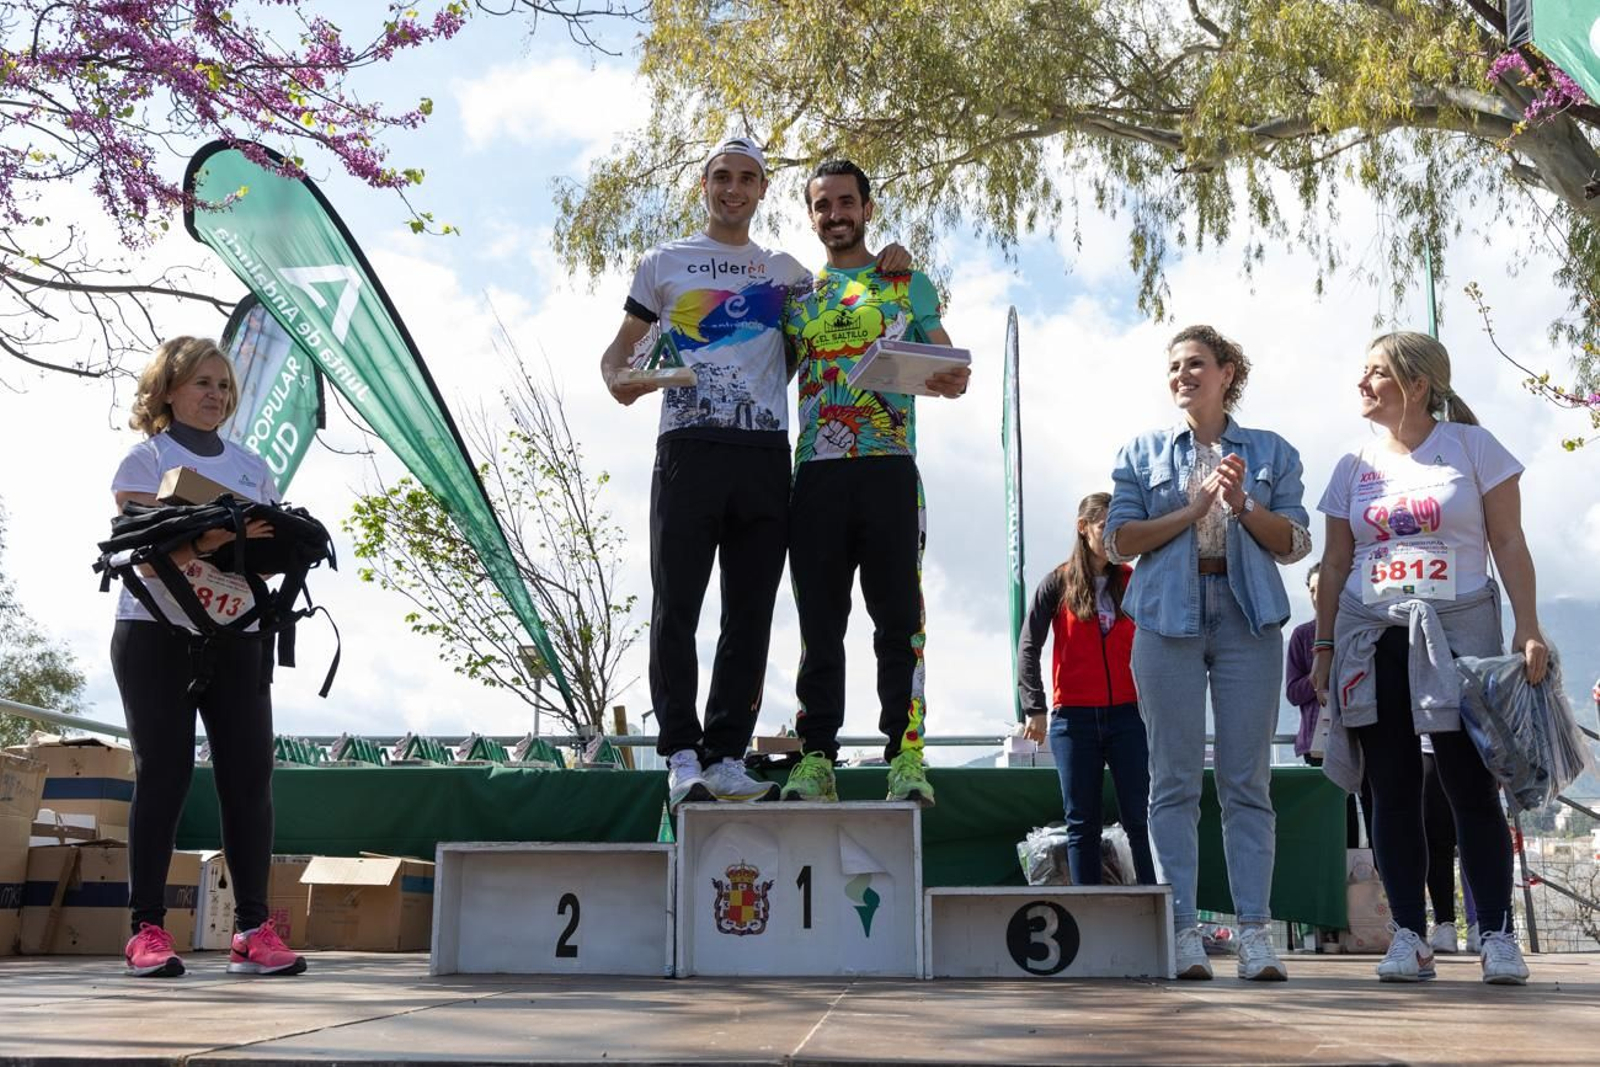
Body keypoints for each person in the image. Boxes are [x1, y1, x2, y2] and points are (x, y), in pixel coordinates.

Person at [598, 139, 911, 810]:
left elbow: (831, 324)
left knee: (750, 613)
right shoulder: (663, 262)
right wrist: (623, 379)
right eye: (722, 177)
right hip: (687, 449)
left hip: (765, 454)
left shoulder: (787, 273)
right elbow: (618, 357)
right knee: (677, 606)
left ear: (764, 190)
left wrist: (894, 262)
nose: (733, 189)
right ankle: (681, 754)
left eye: (747, 179)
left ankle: (725, 754)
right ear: (703, 184)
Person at [1311, 330, 1538, 986]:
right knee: (1391, 787)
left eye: (1376, 372)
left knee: (1470, 783)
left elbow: (1508, 541)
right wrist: (1324, 645)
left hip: (1458, 632)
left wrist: (1528, 626)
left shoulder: (1474, 448)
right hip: (1373, 633)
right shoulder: (1351, 465)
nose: (1362, 384)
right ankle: (1409, 934)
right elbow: (1334, 563)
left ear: (1417, 383)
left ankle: (1496, 934)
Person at [1105, 325, 1311, 982]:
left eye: (1196, 364)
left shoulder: (1272, 450)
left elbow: (1295, 544)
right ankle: (1182, 932)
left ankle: (1255, 935)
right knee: (1172, 781)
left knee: (1247, 782)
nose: (1182, 376)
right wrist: (1192, 512)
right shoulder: (1140, 452)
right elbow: (1117, 541)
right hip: (1166, 619)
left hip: (1249, 618)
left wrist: (1242, 503)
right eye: (1174, 367)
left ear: (1227, 373)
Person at [774, 160, 970, 807]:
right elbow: (765, 377)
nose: (835, 214)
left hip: (889, 469)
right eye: (822, 205)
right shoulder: (797, 298)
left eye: (845, 202)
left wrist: (943, 372)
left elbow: (951, 370)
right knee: (819, 626)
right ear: (811, 216)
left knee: (899, 624)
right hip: (816, 476)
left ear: (866, 207)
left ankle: (906, 757)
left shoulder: (906, 283)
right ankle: (815, 759)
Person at [112, 337, 305, 978]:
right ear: (168, 390)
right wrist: (212, 536)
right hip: (155, 633)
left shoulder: (252, 467)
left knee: (248, 779)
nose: (215, 395)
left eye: (224, 385)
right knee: (164, 775)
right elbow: (145, 553)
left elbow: (261, 556)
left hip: (237, 635)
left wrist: (260, 545)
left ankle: (252, 931)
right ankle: (146, 931)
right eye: (202, 382)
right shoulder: (145, 460)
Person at [1017, 492, 1156, 885]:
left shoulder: (1132, 579)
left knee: (1139, 818)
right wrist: (1034, 707)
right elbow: (1028, 646)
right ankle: (1088, 909)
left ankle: (1156, 904)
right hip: (1073, 719)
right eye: (1104, 526)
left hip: (1128, 714)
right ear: (1083, 528)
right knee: (1082, 823)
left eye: (1119, 528)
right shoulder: (1057, 582)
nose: (1113, 536)